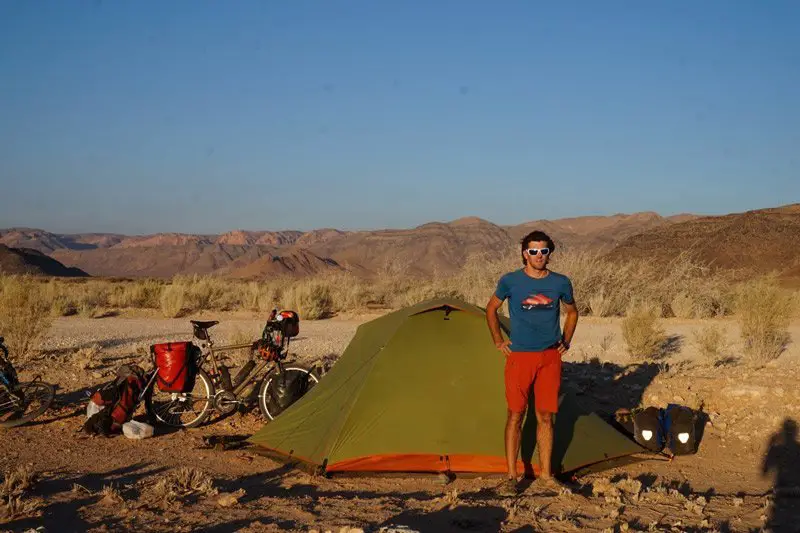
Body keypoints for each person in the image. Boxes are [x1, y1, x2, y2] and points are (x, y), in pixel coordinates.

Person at [485, 230, 579, 495]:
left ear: (550, 253)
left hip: (550, 357)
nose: (539, 256)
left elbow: (572, 311)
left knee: (546, 416)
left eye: (544, 251)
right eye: (534, 251)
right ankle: (512, 476)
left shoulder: (561, 282)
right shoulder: (510, 281)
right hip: (520, 357)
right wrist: (498, 340)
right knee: (515, 414)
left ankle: (546, 475)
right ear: (524, 253)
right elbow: (491, 308)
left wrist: (566, 340)